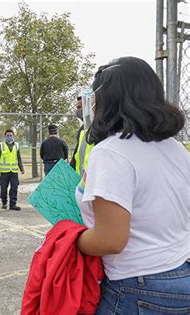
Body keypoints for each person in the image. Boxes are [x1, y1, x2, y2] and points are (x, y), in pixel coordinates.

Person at [75, 57, 189, 314]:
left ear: (108, 99)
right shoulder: (176, 149)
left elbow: (110, 240)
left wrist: (71, 238)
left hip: (136, 287)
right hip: (181, 275)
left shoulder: (112, 152)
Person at [0, 129, 24, 211]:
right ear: (5, 136)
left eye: (11, 135)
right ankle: (4, 202)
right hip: (4, 172)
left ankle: (13, 204)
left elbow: (19, 157)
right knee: (3, 188)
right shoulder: (1, 145)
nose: (9, 137)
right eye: (7, 135)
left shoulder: (17, 145)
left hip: (14, 171)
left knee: (14, 187)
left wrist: (21, 168)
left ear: (13, 136)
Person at [70, 95, 94, 177]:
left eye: (79, 107)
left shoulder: (99, 129)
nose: (77, 110)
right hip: (81, 181)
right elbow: (77, 155)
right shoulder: (82, 129)